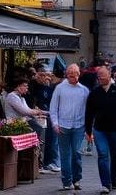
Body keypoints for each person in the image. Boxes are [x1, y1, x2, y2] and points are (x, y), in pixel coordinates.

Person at [84, 66, 116, 195]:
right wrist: (88, 131)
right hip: (100, 130)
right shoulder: (95, 92)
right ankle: (105, 184)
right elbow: (89, 113)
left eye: (103, 76)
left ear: (109, 75)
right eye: (99, 77)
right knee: (103, 155)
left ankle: (113, 178)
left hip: (115, 129)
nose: (100, 78)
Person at [49, 64, 90, 192]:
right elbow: (53, 108)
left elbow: (88, 110)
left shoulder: (84, 90)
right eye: (71, 74)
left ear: (79, 74)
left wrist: (88, 128)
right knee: (65, 155)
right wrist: (55, 124)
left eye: (76, 74)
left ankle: (76, 179)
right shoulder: (60, 88)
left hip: (79, 126)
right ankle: (66, 181)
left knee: (76, 153)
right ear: (67, 75)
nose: (73, 77)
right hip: (63, 126)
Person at [31, 66, 60, 174]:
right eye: (42, 75)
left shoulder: (50, 88)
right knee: (46, 139)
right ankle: (45, 163)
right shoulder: (35, 87)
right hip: (40, 115)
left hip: (49, 115)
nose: (45, 78)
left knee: (52, 139)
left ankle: (51, 162)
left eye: (47, 75)